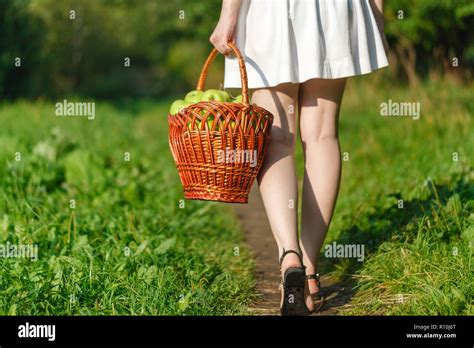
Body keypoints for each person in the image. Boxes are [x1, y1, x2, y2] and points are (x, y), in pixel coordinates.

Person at [210, 0, 389, 315]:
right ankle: (309, 269)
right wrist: (375, 13)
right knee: (322, 135)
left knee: (277, 138)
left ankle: (288, 258)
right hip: (335, 8)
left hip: (271, 11)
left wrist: (228, 14)